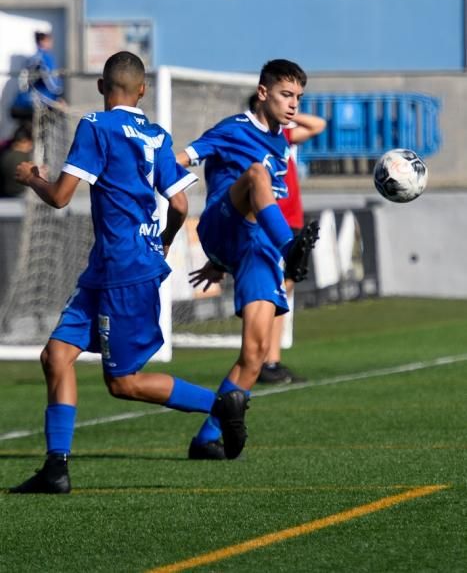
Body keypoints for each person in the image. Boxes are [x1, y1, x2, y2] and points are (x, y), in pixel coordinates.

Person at [9, 51, 241, 494]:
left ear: (101, 86)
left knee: (124, 383)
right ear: (143, 90)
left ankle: (219, 405)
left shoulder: (96, 126)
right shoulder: (156, 135)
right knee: (55, 356)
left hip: (123, 272)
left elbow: (59, 198)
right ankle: (56, 469)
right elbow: (178, 203)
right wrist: (166, 241)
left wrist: (32, 177)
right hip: (111, 268)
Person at [176, 59, 320, 461]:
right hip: (222, 222)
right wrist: (156, 195)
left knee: (255, 355)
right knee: (257, 175)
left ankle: (206, 439)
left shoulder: (280, 141)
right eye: (286, 95)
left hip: (254, 247)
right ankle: (291, 249)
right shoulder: (232, 129)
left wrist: (222, 262)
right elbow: (180, 159)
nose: (293, 105)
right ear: (263, 92)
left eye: (298, 98)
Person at [257, 105, 327, 384]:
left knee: (285, 289)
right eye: (284, 100)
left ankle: (272, 360)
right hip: (273, 223)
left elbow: (318, 125)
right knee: (270, 292)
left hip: (293, 221)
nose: (290, 106)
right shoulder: (254, 141)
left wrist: (288, 117)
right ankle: (260, 359)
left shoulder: (284, 137)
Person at [11, 31, 65, 121]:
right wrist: (59, 96)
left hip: (25, 100)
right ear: (42, 41)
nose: (52, 44)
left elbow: (23, 82)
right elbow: (50, 81)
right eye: (50, 41)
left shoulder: (31, 59)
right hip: (42, 100)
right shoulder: (44, 58)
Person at [0, 123, 33, 197]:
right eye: (30, 142)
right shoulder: (22, 158)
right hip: (18, 196)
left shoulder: (5, 152)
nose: (31, 146)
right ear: (24, 141)